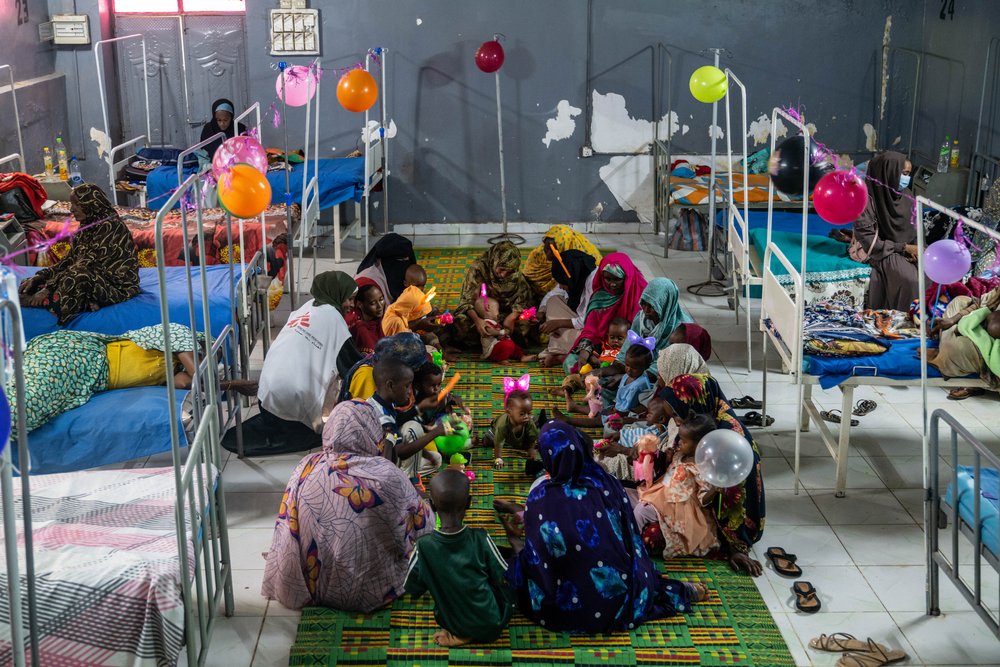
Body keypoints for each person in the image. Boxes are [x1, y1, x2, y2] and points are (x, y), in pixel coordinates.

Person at [502, 420, 705, 634]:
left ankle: (514, 545)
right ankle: (673, 590)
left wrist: (516, 543)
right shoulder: (606, 482)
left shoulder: (540, 497)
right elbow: (630, 538)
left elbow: (540, 559)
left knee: (519, 569)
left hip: (567, 606)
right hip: (618, 592)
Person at [261, 400, 434, 612]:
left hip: (313, 582)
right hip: (365, 590)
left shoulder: (306, 465)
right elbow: (424, 527)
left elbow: (287, 524)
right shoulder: (386, 474)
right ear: (370, 430)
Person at [228, 271, 363, 455]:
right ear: (336, 294)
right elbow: (354, 367)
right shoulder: (335, 320)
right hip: (291, 405)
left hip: (265, 397)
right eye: (349, 299)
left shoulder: (306, 307)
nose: (351, 305)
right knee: (330, 428)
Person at [658, 374, 765, 576]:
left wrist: (735, 546)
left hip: (718, 518)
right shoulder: (700, 426)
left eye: (676, 415)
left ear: (694, 405)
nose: (676, 421)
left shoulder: (729, 442)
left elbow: (735, 497)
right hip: (694, 503)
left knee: (653, 536)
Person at [10, 323, 204, 434]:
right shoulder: (179, 334)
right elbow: (201, 377)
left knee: (26, 402)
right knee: (26, 405)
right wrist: (204, 374)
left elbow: (186, 383)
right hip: (82, 356)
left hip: (86, 371)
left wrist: (197, 375)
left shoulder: (176, 369)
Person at [404, 469, 513, 647]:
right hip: (493, 622)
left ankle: (462, 632)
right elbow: (504, 575)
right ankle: (471, 631)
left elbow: (412, 588)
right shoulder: (481, 538)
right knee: (511, 581)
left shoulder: (422, 547)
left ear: (432, 505)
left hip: (452, 622)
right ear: (469, 503)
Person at [18, 183, 139, 325]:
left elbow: (87, 264)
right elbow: (70, 259)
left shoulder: (110, 226)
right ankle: (86, 302)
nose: (71, 209)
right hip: (97, 275)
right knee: (33, 283)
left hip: (117, 286)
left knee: (77, 277)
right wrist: (41, 276)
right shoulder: (88, 224)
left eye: (77, 204)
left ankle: (46, 302)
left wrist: (47, 289)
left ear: (91, 204)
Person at [633, 413, 720, 559]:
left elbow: (703, 499)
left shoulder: (702, 468)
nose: (679, 442)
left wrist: (715, 489)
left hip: (678, 507)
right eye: (680, 438)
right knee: (627, 496)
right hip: (660, 493)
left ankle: (631, 545)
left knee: (641, 512)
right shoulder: (680, 455)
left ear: (701, 445)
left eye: (684, 441)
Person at [852, 151, 919, 310]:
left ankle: (927, 318)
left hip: (907, 247)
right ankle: (903, 319)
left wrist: (917, 248)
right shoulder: (864, 200)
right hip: (881, 249)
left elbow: (915, 229)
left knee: (929, 273)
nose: (906, 179)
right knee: (910, 280)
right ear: (887, 173)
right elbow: (869, 241)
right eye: (903, 174)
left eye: (908, 174)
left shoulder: (907, 196)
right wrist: (903, 248)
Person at [369, 357, 446, 487]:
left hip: (387, 458)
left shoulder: (381, 402)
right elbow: (401, 452)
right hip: (379, 470)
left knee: (436, 459)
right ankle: (409, 482)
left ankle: (404, 476)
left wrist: (427, 455)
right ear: (390, 385)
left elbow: (399, 424)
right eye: (406, 386)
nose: (410, 391)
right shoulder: (383, 418)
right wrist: (435, 433)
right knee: (413, 428)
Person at [564, 253, 647, 373]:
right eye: (608, 279)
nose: (612, 284)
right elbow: (590, 330)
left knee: (635, 366)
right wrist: (585, 351)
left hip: (630, 349)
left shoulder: (640, 296)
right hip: (602, 348)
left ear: (627, 277)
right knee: (571, 363)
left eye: (617, 279)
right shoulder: (599, 298)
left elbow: (643, 333)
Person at [450, 241, 534, 350]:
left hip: (505, 314)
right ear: (494, 261)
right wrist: (478, 321)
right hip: (481, 313)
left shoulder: (515, 273)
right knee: (460, 323)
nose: (503, 275)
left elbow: (524, 300)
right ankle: (498, 340)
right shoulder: (479, 269)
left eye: (509, 271)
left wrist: (513, 316)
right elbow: (466, 302)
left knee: (526, 323)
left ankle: (492, 341)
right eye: (501, 269)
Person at [928, 286, 1000, 398]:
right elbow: (982, 303)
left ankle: (946, 347)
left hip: (991, 355)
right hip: (978, 328)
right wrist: (952, 320)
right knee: (959, 301)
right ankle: (948, 335)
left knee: (954, 350)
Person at [537, 249, 598, 368]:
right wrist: (541, 311)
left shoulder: (592, 282)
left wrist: (558, 323)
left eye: (562, 282)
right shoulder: (575, 274)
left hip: (593, 328)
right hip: (579, 321)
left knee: (584, 338)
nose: (560, 286)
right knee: (553, 301)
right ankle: (563, 350)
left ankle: (564, 354)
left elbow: (587, 321)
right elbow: (553, 294)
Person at [338, 332, 428, 403]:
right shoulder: (367, 376)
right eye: (414, 366)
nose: (418, 369)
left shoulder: (383, 362)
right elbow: (366, 413)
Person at [522, 225, 602, 298]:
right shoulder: (537, 254)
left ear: (564, 247)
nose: (548, 254)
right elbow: (527, 275)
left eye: (554, 251)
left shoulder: (579, 262)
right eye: (546, 248)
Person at [485, 384, 539, 473]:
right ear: (509, 412)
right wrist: (498, 458)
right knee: (487, 442)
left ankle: (536, 419)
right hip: (497, 430)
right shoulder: (503, 425)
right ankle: (493, 423)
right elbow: (498, 443)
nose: (526, 416)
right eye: (522, 414)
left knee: (532, 434)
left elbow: (533, 437)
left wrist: (531, 449)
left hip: (519, 436)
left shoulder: (528, 422)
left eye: (529, 413)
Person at [354, 233, 418, 303]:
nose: (405, 265)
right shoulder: (366, 284)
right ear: (385, 260)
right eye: (400, 260)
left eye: (406, 260)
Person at [475, 296, 535, 363]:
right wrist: (502, 332)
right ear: (488, 307)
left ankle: (522, 357)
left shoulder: (495, 323)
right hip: (492, 350)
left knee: (515, 347)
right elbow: (489, 331)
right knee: (508, 344)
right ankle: (502, 359)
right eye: (497, 310)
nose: (498, 313)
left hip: (499, 346)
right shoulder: (485, 323)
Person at [348, 284, 386, 355]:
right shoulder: (361, 330)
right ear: (359, 304)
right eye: (373, 303)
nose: (379, 306)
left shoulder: (379, 324)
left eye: (381, 299)